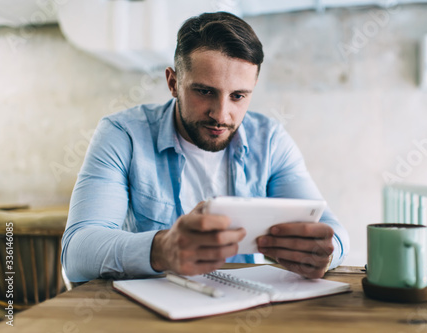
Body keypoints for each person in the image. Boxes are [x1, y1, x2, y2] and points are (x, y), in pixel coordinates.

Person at [61, 11, 349, 282]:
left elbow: (332, 231)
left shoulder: (271, 141)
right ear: (173, 82)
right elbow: (76, 252)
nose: (221, 115)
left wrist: (326, 251)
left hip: (246, 305)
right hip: (151, 312)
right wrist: (161, 248)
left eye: (238, 96)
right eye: (204, 91)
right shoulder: (123, 135)